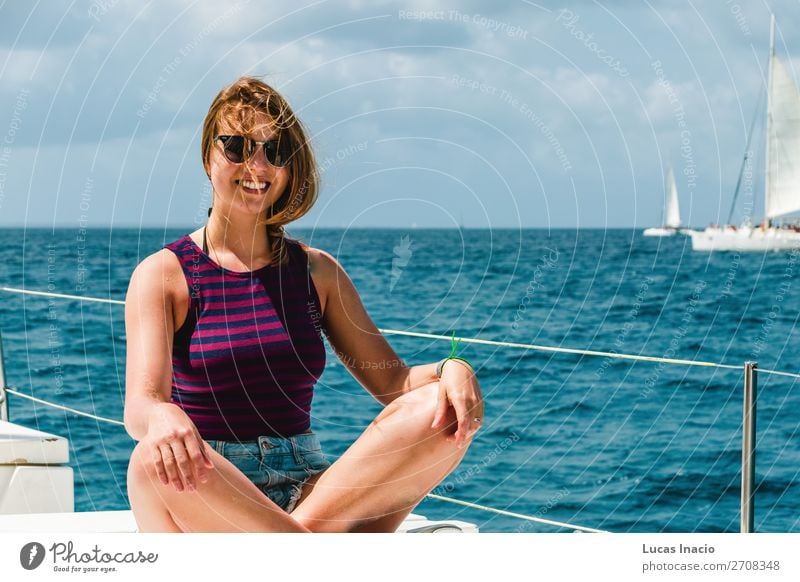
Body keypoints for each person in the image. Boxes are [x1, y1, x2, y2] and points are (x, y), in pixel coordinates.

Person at [124, 76, 484, 532]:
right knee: (148, 461)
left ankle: (296, 552)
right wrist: (161, 414)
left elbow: (394, 383)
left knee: (439, 407)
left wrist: (452, 369)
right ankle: (310, 554)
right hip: (212, 485)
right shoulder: (164, 275)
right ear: (207, 155)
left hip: (309, 484)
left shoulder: (317, 273)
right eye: (236, 146)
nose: (257, 165)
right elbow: (141, 404)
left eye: (275, 152)